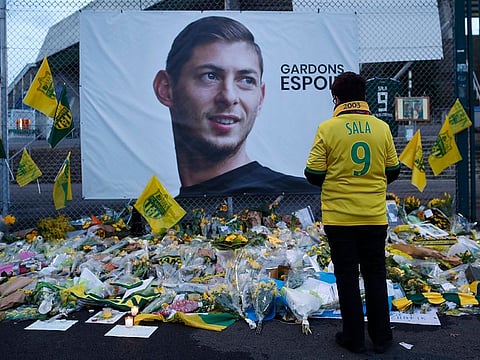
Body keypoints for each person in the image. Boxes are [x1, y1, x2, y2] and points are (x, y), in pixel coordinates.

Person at [153, 16, 317, 197]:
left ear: (260, 97)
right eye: (210, 76)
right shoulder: (161, 217)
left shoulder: (304, 200)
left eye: (246, 80)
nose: (229, 97)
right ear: (166, 89)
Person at [304, 72, 400, 354]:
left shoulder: (328, 128)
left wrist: (337, 177)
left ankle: (353, 338)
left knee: (346, 277)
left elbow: (313, 173)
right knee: (375, 275)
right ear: (363, 97)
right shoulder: (381, 128)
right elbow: (393, 170)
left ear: (335, 98)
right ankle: (382, 338)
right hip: (373, 216)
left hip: (340, 217)